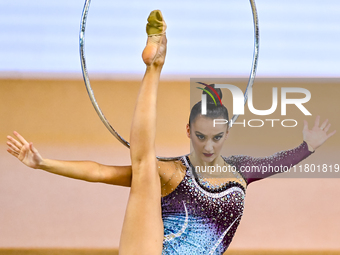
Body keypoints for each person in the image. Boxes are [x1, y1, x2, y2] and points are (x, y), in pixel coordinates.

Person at [6, 10, 336, 255]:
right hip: (152, 249)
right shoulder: (173, 170)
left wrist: (308, 147)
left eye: (217, 137)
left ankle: (156, 65)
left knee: (146, 166)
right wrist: (43, 163)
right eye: (201, 136)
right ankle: (154, 65)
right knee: (145, 164)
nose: (208, 145)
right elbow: (100, 171)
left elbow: (277, 162)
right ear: (188, 131)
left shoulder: (241, 170)